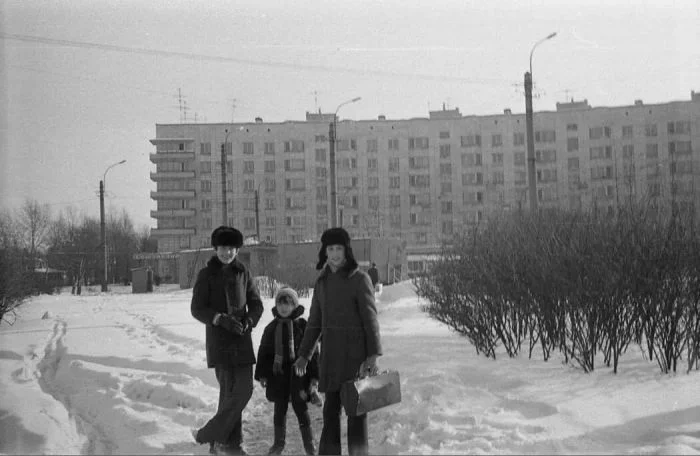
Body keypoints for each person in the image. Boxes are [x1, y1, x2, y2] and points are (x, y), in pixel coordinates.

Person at [293, 227, 382, 456]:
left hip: (356, 360)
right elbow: (314, 322)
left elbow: (370, 320)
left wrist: (373, 355)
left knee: (356, 416)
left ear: (346, 251)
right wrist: (304, 354)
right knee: (330, 415)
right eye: (330, 249)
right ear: (325, 252)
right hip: (331, 359)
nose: (334, 254)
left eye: (338, 249)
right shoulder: (322, 282)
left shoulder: (360, 279)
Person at [191, 226, 264, 456]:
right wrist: (219, 319)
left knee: (243, 391)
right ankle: (231, 444)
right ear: (216, 249)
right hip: (220, 342)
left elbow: (256, 304)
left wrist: (249, 321)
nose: (227, 253)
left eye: (231, 248)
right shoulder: (206, 274)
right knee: (229, 394)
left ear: (237, 250)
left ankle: (209, 435)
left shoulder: (243, 272)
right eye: (223, 248)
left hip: (241, 341)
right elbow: (197, 308)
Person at [255, 287, 322, 455]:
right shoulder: (271, 328)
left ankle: (309, 445)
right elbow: (264, 352)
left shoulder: (303, 326)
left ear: (295, 305)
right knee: (279, 410)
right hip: (278, 376)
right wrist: (262, 374)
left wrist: (314, 376)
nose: (284, 308)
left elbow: (313, 352)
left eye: (288, 304)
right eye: (280, 304)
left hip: (299, 375)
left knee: (302, 410)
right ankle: (278, 444)